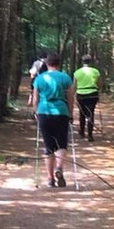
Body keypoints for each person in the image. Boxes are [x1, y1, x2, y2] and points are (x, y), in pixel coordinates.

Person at [31, 52, 74, 187]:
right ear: (59, 64)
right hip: (61, 111)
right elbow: (71, 97)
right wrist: (71, 113)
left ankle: (50, 179)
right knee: (61, 143)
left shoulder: (40, 78)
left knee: (48, 146)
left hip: (44, 111)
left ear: (47, 64)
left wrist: (35, 111)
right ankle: (59, 168)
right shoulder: (65, 77)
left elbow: (35, 97)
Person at [74, 54, 101, 141]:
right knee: (91, 113)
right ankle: (90, 135)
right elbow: (99, 83)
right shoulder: (95, 71)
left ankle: (82, 132)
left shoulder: (77, 72)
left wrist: (73, 95)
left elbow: (74, 85)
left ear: (82, 62)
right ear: (90, 62)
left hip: (81, 94)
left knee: (82, 113)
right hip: (93, 93)